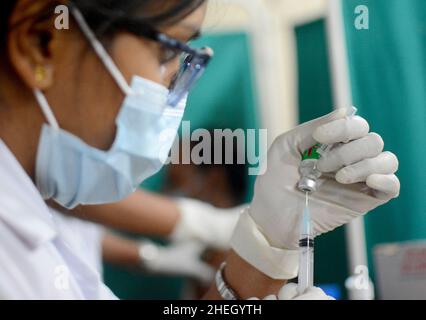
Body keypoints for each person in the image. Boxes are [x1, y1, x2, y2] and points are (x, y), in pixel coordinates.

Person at [0, 0, 400, 300]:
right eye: (169, 49)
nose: (176, 85)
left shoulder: (33, 222)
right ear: (42, 42)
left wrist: (264, 250)